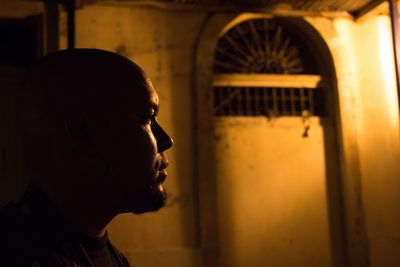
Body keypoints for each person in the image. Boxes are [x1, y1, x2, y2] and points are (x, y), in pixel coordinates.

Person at [0, 49, 173, 266]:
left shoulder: (113, 259)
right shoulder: (16, 255)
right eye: (147, 118)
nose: (166, 140)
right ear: (80, 133)